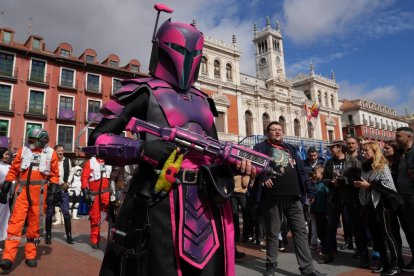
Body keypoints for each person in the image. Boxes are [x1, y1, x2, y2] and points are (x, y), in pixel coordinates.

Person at [84, 4, 255, 275]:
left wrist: (233, 164)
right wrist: (142, 148)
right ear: (162, 48)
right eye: (180, 50)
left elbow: (213, 153)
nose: (187, 58)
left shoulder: (204, 101)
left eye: (195, 53)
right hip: (156, 197)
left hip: (204, 203)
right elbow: (97, 139)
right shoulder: (141, 91)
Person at [254, 121, 325, 276]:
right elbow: (254, 165)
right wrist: (263, 176)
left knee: (300, 232)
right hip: (272, 197)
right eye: (273, 130)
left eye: (279, 130)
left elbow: (301, 171)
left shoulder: (290, 148)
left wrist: (310, 191)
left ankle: (307, 269)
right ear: (268, 133)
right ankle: (270, 266)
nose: (277, 132)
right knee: (273, 233)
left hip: (294, 197)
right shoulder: (260, 147)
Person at [0, 128, 59, 269]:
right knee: (15, 223)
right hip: (22, 191)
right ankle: (8, 257)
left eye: (33, 140)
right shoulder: (23, 150)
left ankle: (31, 254)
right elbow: (14, 169)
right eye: (30, 139)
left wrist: (52, 193)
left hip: (39, 193)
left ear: (42, 140)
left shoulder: (51, 154)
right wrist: (6, 186)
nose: (30, 142)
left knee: (35, 225)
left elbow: (55, 175)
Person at [354, 142, 401, 276]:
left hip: (382, 206)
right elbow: (366, 184)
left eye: (366, 150)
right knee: (376, 236)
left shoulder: (383, 167)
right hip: (369, 205)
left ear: (375, 152)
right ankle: (384, 263)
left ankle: (396, 264)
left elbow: (391, 190)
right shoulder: (365, 168)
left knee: (387, 235)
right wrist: (360, 184)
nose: (363, 153)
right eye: (362, 151)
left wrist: (369, 185)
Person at [320, 140, 368, 267]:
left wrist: (343, 180)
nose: (330, 149)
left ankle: (363, 255)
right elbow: (324, 179)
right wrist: (331, 182)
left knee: (357, 227)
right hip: (334, 198)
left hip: (351, 198)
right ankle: (329, 253)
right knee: (331, 227)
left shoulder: (353, 161)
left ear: (339, 148)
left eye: (332, 147)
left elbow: (359, 179)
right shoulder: (329, 162)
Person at [45, 144, 74, 244]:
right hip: (53, 188)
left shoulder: (68, 160)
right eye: (58, 151)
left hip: (63, 188)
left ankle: (69, 236)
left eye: (62, 150)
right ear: (55, 152)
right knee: (49, 212)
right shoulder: (51, 161)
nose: (61, 152)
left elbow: (71, 173)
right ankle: (48, 235)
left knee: (66, 212)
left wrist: (68, 183)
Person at [81, 156, 112, 249]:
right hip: (95, 195)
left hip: (107, 194)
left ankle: (112, 239)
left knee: (112, 217)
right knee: (95, 217)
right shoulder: (90, 162)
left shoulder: (110, 161)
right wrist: (85, 189)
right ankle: (95, 239)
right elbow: (84, 177)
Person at [395, 127, 414, 272]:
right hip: (404, 199)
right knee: (409, 231)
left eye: (399, 136)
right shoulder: (401, 153)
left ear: (409, 137)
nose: (396, 138)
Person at [310, 165, 328, 256]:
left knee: (324, 231)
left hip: (323, 211)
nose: (314, 174)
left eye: (315, 172)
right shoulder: (315, 184)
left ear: (321, 173)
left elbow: (327, 197)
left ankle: (326, 248)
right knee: (319, 231)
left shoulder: (324, 184)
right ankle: (322, 246)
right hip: (317, 210)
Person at [0, 148, 11, 246]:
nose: (8, 156)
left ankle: (2, 239)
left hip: (6, 195)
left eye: (8, 154)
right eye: (6, 154)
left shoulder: (9, 166)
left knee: (5, 217)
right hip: (1, 193)